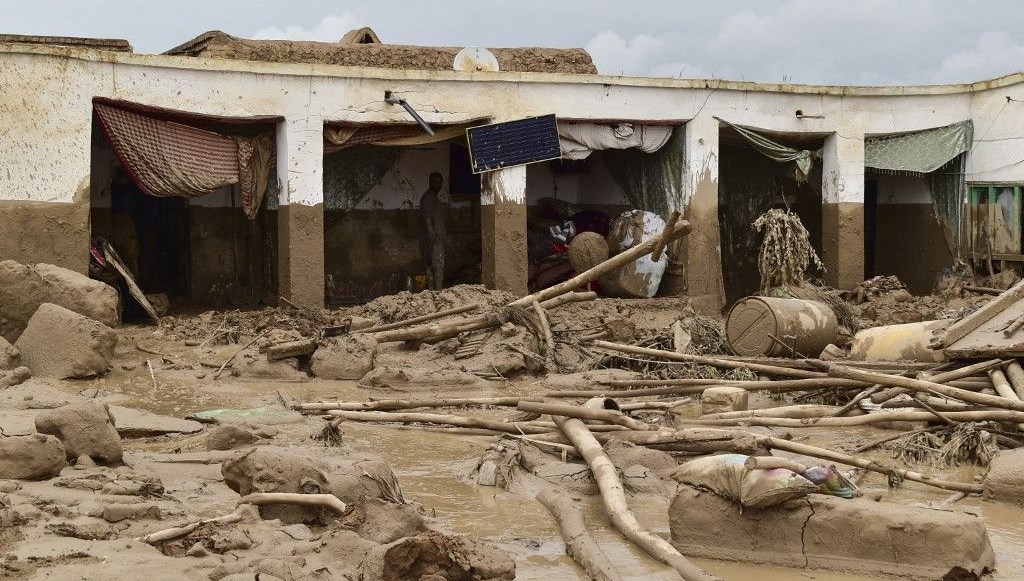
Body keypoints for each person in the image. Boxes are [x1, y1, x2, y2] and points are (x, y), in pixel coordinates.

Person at [419, 172, 448, 290]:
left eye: (440, 182)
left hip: (435, 238)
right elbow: (427, 215)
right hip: (433, 238)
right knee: (438, 265)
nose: (438, 185)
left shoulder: (433, 197)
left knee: (431, 266)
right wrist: (431, 231)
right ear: (430, 183)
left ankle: (432, 292)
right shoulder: (429, 197)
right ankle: (438, 292)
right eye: (435, 182)